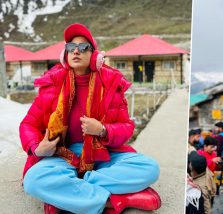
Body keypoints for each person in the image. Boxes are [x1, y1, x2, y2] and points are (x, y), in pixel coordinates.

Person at [20, 23, 160, 214]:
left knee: (150, 168)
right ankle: (117, 200)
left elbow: (126, 127)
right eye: (70, 47)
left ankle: (68, 195)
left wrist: (103, 129)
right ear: (65, 55)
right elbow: (28, 124)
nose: (76, 51)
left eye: (83, 47)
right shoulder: (52, 84)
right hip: (63, 154)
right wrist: (37, 147)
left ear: (95, 56)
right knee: (33, 181)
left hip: (103, 152)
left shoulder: (111, 85)